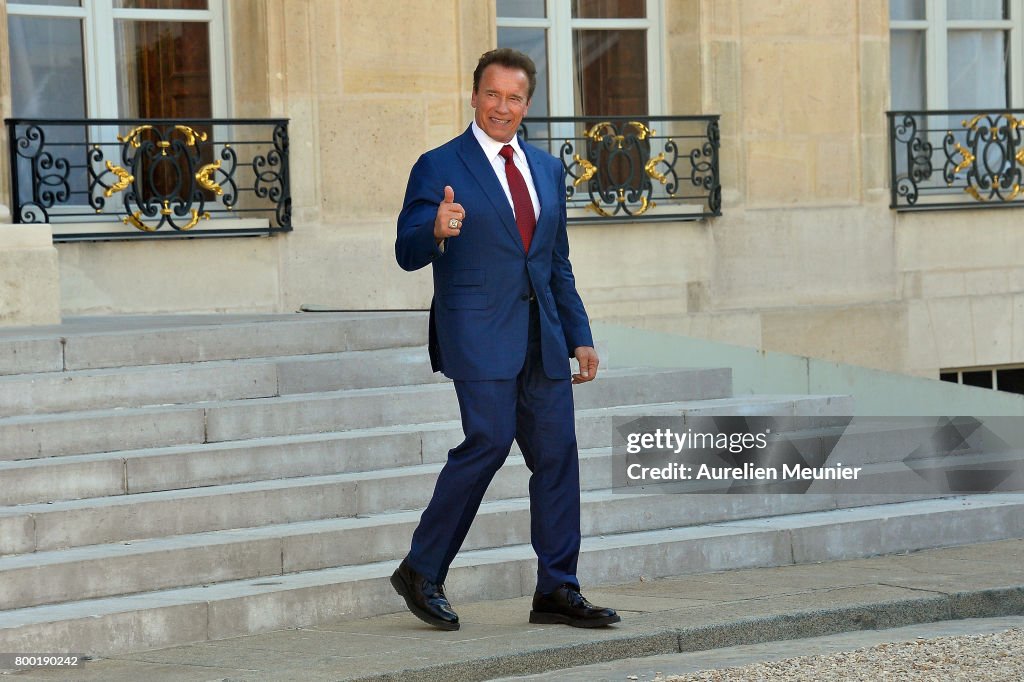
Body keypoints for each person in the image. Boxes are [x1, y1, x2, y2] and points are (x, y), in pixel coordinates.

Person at [391, 48, 619, 631]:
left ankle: (557, 589)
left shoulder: (546, 169)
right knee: (488, 441)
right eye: (491, 95)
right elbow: (406, 250)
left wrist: (580, 334)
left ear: (527, 104)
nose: (501, 107)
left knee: (558, 456)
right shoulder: (439, 164)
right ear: (474, 96)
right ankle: (421, 569)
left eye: (513, 98)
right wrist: (434, 229)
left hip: (541, 337)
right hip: (476, 332)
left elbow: (555, 263)